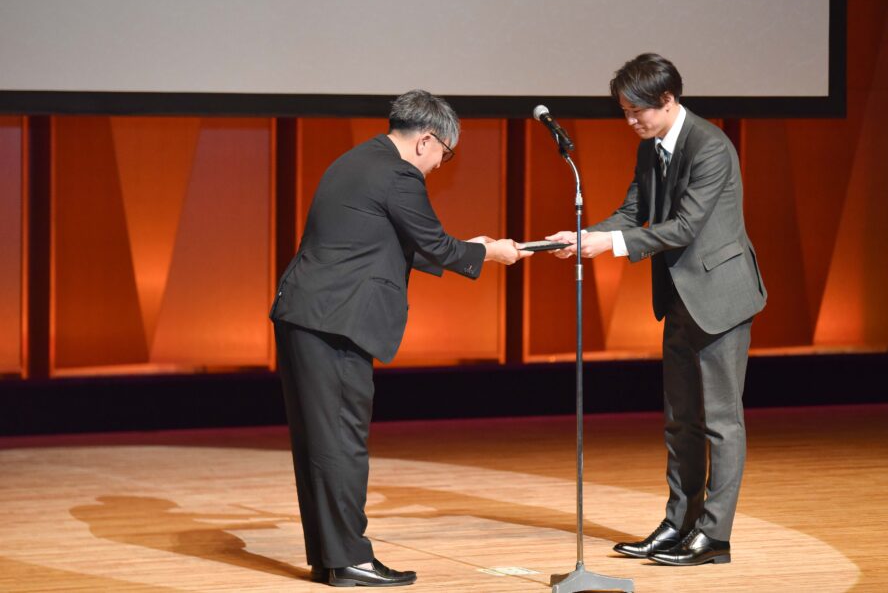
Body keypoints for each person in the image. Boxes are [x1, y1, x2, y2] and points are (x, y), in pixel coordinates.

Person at [270, 89, 529, 587]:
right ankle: (351, 559)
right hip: (335, 322)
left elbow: (384, 240)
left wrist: (470, 248)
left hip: (307, 314)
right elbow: (433, 244)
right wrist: (489, 253)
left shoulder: (357, 160)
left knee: (320, 444)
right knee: (342, 443)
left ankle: (332, 557)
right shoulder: (399, 174)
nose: (439, 166)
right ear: (426, 140)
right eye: (444, 155)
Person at [546, 53, 766, 566]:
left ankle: (713, 536)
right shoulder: (651, 148)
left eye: (636, 111)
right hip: (680, 295)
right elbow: (633, 211)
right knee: (680, 419)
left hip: (720, 296)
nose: (630, 121)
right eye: (624, 111)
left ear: (667, 100)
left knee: (721, 422)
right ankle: (679, 523)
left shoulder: (711, 146)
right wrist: (583, 236)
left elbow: (685, 226)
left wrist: (610, 245)